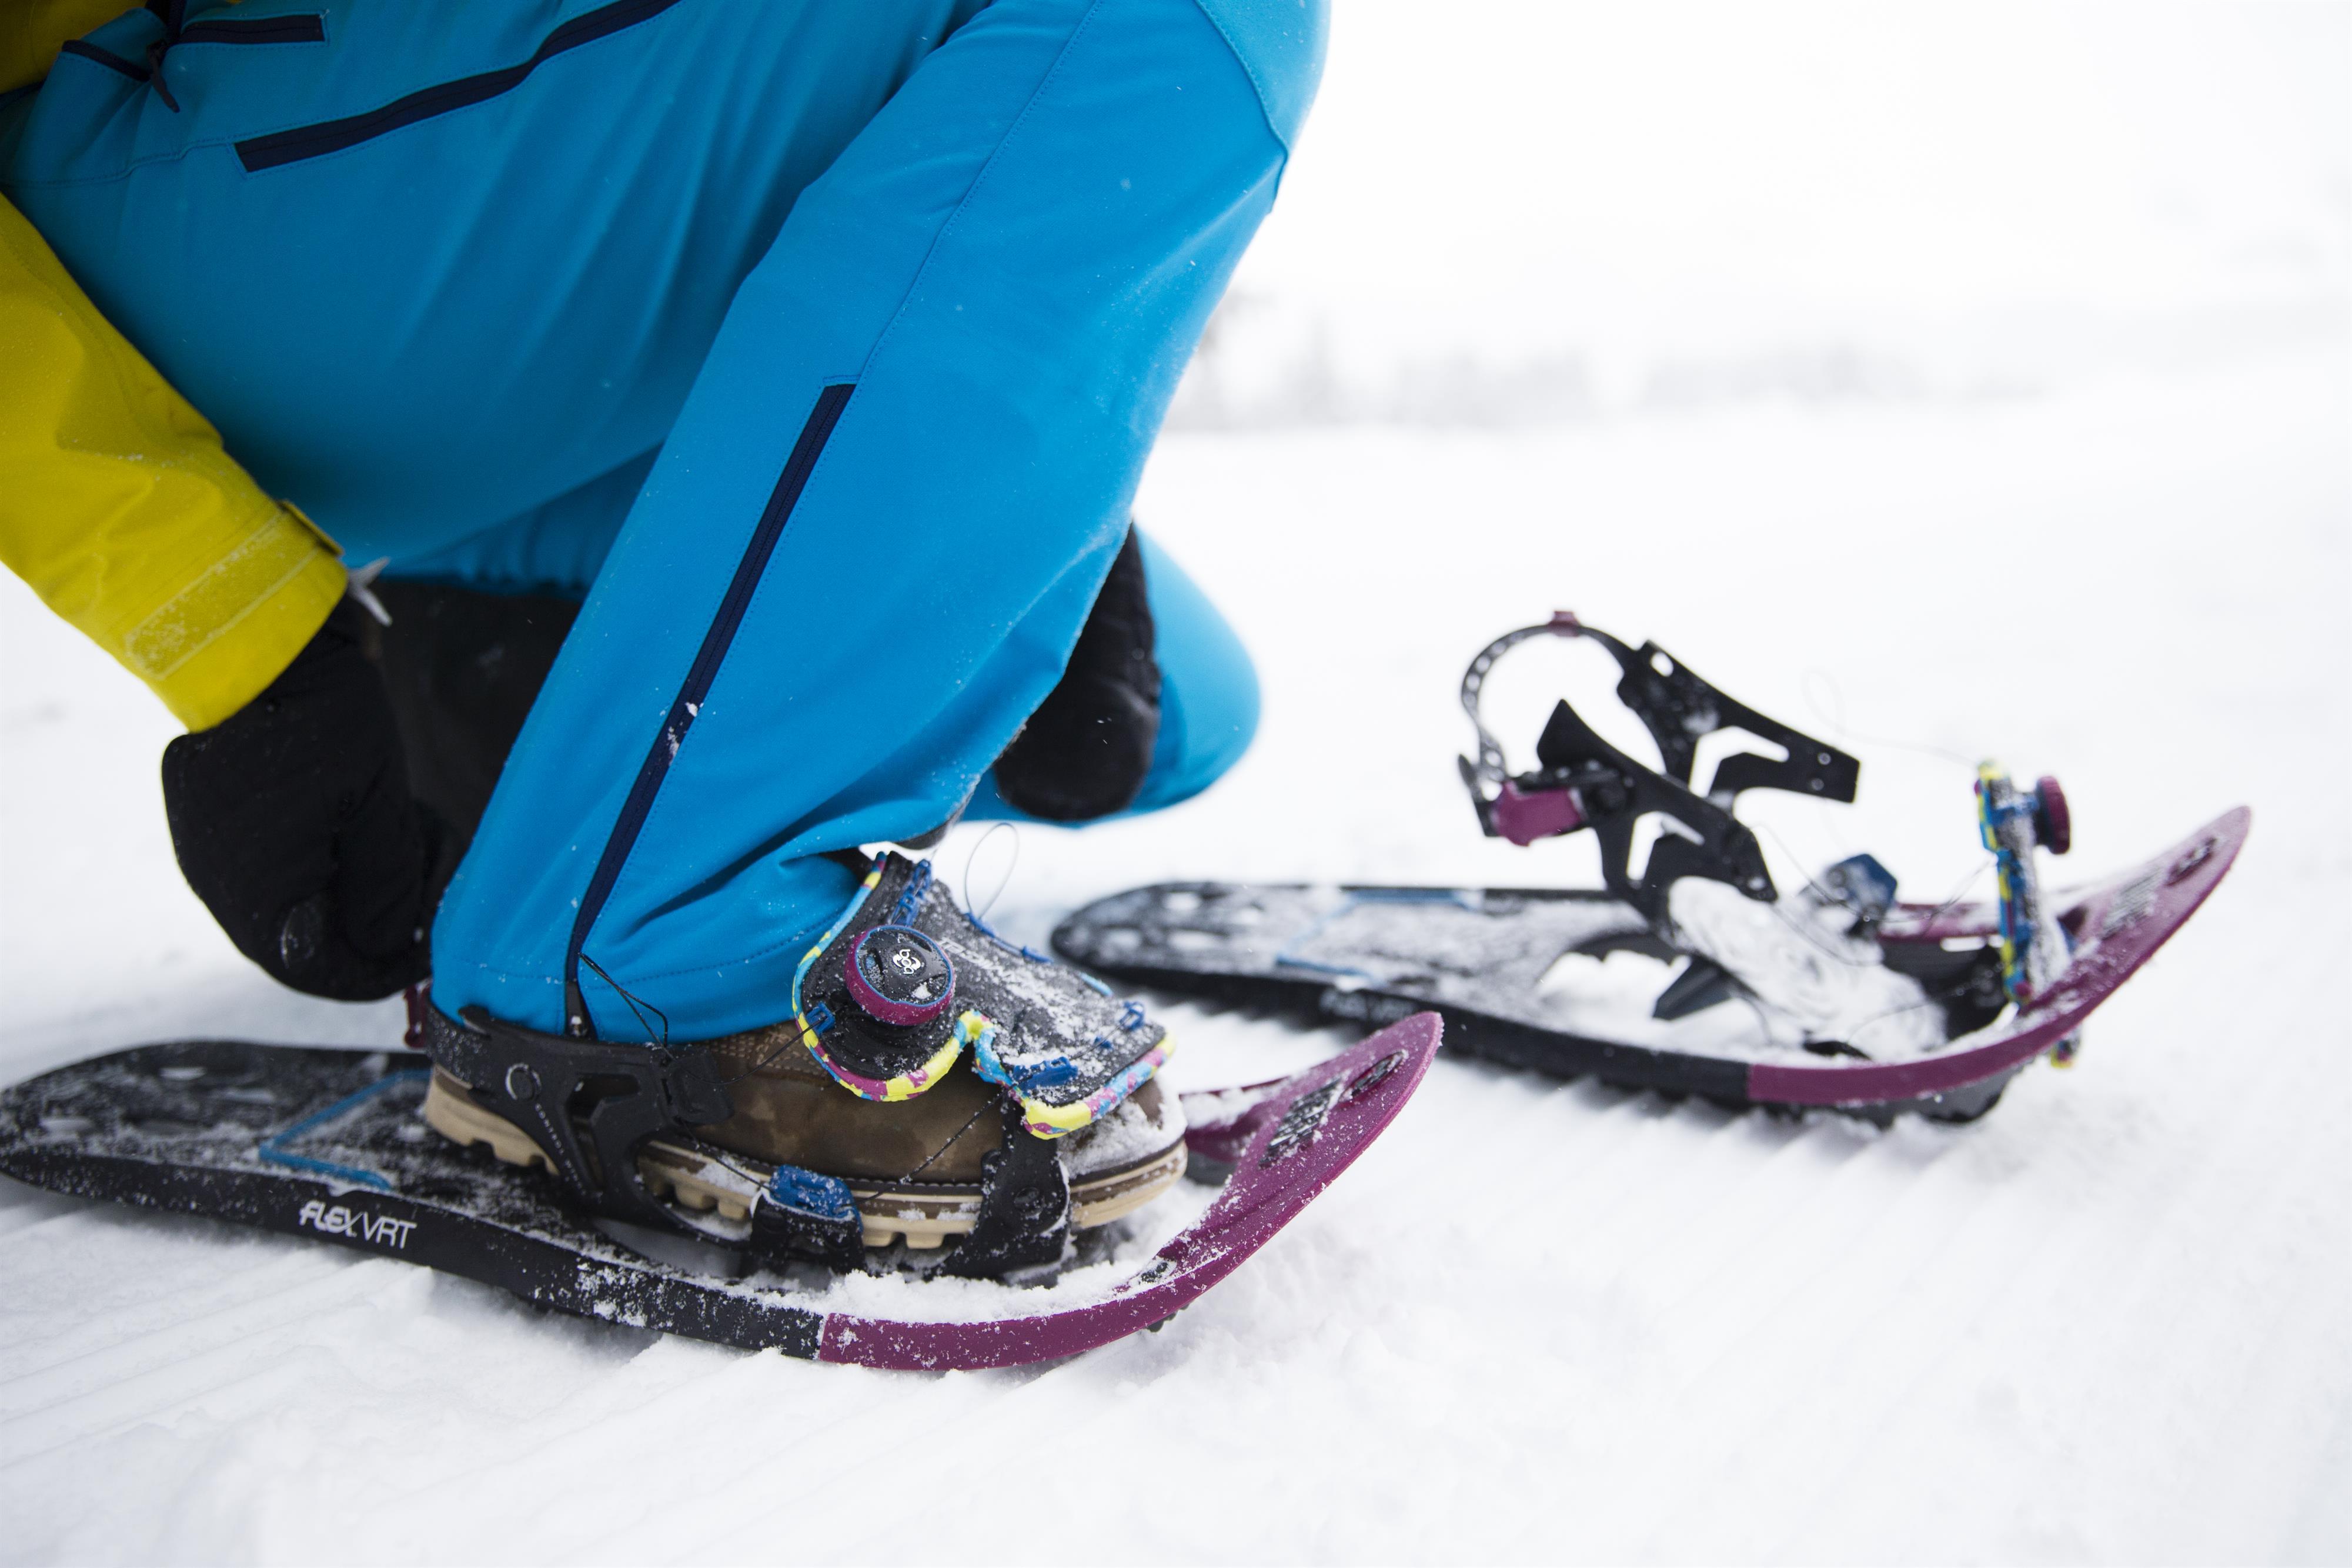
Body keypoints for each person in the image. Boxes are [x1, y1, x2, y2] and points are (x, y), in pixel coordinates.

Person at [0, 0, 1321, 1271]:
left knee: (1185, 709)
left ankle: (529, 690)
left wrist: (995, 504)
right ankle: (642, 971)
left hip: (494, 228)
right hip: (163, 158)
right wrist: (239, 626)